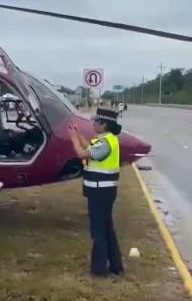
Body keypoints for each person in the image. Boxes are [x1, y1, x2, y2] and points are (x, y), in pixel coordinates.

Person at [68, 108, 124, 277]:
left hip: (100, 191)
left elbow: (81, 153)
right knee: (107, 228)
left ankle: (99, 270)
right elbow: (89, 148)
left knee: (98, 230)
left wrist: (72, 139)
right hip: (104, 191)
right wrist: (78, 135)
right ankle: (115, 266)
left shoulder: (105, 143)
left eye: (96, 122)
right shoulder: (107, 140)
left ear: (104, 124)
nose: (93, 124)